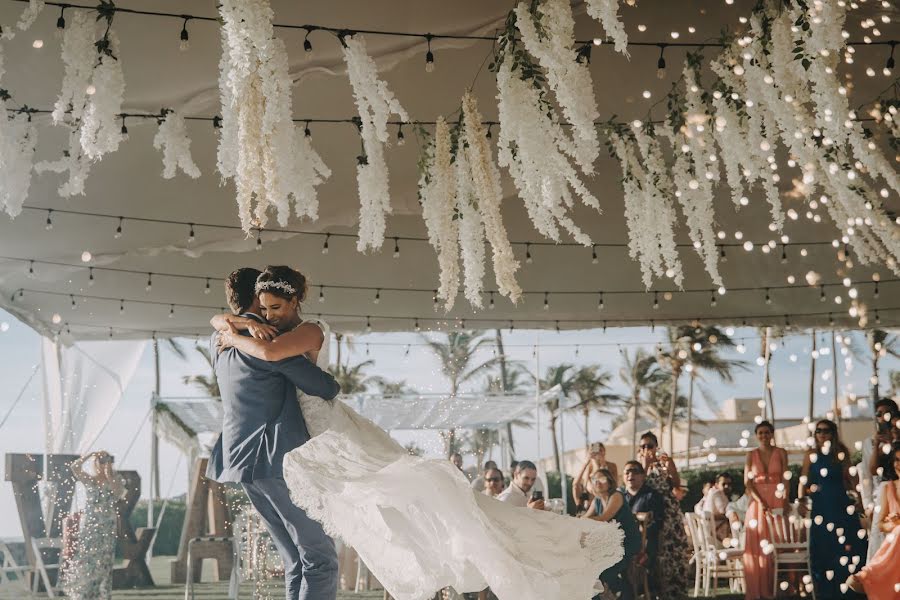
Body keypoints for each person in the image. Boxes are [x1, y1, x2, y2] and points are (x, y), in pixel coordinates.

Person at [214, 266, 625, 600]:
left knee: (350, 525)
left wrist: (228, 329)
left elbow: (300, 372)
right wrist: (232, 327)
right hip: (291, 452)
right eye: (264, 309)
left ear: (293, 301)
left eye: (275, 308)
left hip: (281, 450)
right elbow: (318, 384)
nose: (268, 317)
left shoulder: (258, 340)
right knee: (318, 555)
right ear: (254, 303)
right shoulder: (256, 338)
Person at [208, 266, 343, 600]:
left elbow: (219, 322)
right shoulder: (264, 338)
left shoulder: (218, 340)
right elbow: (322, 386)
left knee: (296, 559)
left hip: (241, 464)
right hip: (274, 459)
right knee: (320, 559)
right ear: (258, 295)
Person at [799, 419, 868, 599]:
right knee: (823, 547)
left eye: (826, 431)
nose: (822, 434)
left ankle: (849, 588)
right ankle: (826, 591)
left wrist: (859, 498)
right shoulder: (811, 454)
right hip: (821, 505)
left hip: (840, 502)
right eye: (819, 431)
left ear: (833, 433)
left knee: (846, 545)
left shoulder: (840, 453)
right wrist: (801, 500)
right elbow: (803, 480)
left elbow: (852, 478)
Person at [60, 451, 125, 600]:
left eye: (105, 461)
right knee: (87, 560)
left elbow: (119, 493)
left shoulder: (116, 479)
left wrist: (109, 475)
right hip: (90, 526)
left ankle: (103, 595)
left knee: (104, 562)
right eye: (99, 461)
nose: (102, 464)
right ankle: (86, 594)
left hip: (107, 527)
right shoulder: (90, 480)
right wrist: (90, 454)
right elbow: (74, 467)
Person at [636, 432, 691, 599]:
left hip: (670, 512)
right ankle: (661, 592)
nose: (647, 449)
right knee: (660, 553)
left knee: (675, 551)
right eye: (643, 446)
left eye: (650, 445)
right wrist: (645, 465)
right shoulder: (638, 467)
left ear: (656, 447)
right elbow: (638, 487)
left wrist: (671, 465)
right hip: (653, 514)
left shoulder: (663, 464)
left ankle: (677, 591)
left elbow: (676, 484)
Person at [741, 420, 789, 600]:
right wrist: (760, 501)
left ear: (772, 434)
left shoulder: (781, 452)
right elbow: (748, 482)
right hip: (757, 502)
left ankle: (779, 587)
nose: (764, 436)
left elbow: (786, 478)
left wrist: (784, 499)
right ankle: (758, 589)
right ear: (756, 435)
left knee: (777, 541)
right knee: (757, 546)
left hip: (777, 498)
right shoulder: (750, 455)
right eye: (760, 433)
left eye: (767, 432)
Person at [847, 444, 900, 599]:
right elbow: (881, 525)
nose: (898, 464)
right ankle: (879, 577)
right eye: (896, 460)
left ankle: (875, 574)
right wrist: (893, 523)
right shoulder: (887, 488)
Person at [582, 468, 641, 600]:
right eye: (595, 480)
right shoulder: (597, 500)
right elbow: (585, 518)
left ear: (609, 482)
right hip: (611, 543)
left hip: (627, 543)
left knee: (600, 571)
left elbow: (604, 518)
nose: (598, 482)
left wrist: (583, 520)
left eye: (602, 479)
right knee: (588, 566)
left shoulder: (616, 495)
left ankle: (618, 593)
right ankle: (608, 594)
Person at [860, 398, 900, 560]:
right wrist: (877, 446)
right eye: (879, 414)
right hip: (885, 491)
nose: (883, 417)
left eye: (887, 413)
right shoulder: (871, 441)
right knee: (881, 536)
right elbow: (872, 471)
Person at [621, 461, 663, 581]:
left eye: (635, 471)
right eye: (627, 472)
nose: (630, 475)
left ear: (643, 476)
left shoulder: (652, 496)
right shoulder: (619, 498)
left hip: (645, 545)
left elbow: (657, 524)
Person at [573, 443, 618, 512]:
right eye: (594, 451)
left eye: (600, 450)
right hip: (589, 498)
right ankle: (580, 508)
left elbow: (614, 484)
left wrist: (603, 463)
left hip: (605, 497)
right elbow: (576, 484)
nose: (597, 453)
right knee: (576, 486)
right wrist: (586, 462)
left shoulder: (612, 466)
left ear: (604, 452)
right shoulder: (589, 467)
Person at [694, 472, 734, 541]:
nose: (727, 486)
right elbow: (724, 512)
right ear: (717, 485)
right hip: (715, 538)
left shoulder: (712, 494)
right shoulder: (717, 493)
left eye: (729, 484)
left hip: (706, 535)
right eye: (723, 484)